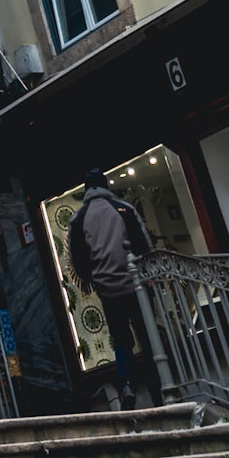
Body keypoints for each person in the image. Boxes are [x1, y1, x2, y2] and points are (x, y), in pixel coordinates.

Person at [67, 169, 162, 409]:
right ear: (105, 185)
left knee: (121, 339)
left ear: (86, 190)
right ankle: (157, 391)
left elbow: (78, 259)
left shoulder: (79, 218)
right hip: (135, 285)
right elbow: (143, 245)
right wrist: (150, 275)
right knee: (147, 336)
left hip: (108, 290)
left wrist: (94, 278)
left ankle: (127, 383)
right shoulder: (124, 209)